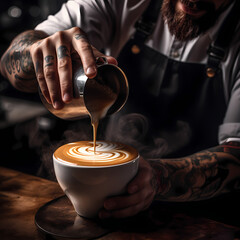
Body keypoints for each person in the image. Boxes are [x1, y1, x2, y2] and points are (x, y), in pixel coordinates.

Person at [1, 0, 240, 219]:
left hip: (205, 219)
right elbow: (8, 61)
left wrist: (157, 179)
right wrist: (36, 52)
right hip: (109, 210)